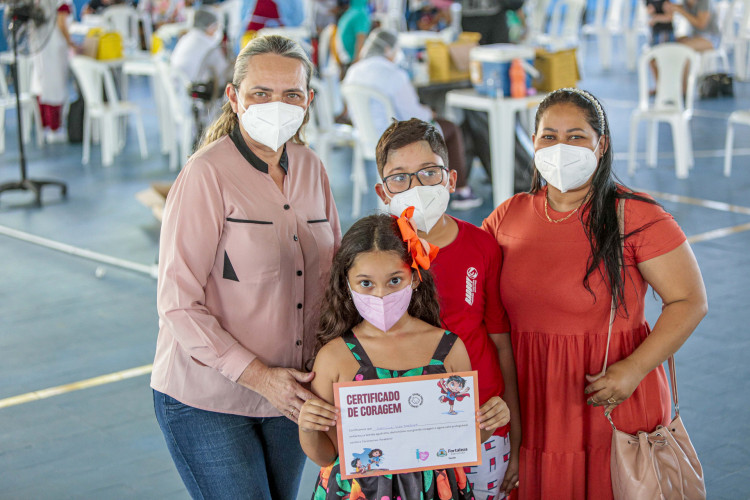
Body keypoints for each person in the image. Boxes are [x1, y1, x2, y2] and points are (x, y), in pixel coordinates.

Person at [481, 88, 708, 499]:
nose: (561, 147)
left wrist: (635, 369)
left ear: (600, 144)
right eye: (548, 136)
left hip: (611, 395)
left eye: (576, 136)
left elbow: (690, 301)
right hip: (532, 401)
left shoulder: (635, 214)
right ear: (533, 143)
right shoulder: (507, 215)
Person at [151, 34, 342, 500]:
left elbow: (334, 278)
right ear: (234, 98)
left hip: (293, 395)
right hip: (207, 398)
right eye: (261, 93)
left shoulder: (312, 168)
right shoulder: (206, 174)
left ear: (308, 101)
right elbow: (178, 303)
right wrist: (259, 376)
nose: (276, 105)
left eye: (291, 94)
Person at [298, 213, 511, 499]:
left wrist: (490, 420)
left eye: (394, 280)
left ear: (414, 277)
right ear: (346, 284)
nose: (381, 295)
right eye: (366, 284)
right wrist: (308, 427)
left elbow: (460, 440)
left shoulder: (448, 348)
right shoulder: (334, 357)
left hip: (434, 490)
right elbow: (327, 455)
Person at [374, 118, 520, 499]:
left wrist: (515, 432)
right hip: (404, 431)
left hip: (481, 427)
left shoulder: (481, 247)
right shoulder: (371, 256)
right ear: (383, 190)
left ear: (451, 180)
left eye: (429, 173)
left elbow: (500, 343)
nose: (417, 187)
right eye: (400, 178)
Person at [345, 29, 482, 209]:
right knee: (451, 129)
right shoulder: (394, 74)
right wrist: (430, 113)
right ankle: (462, 191)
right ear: (388, 49)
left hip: (366, 138)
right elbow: (415, 117)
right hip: (395, 139)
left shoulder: (353, 71)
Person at [31, 0, 77, 144]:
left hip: (39, 45)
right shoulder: (60, 3)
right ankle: (54, 127)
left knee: (41, 85)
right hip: (54, 46)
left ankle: (45, 124)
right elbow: (62, 23)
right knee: (54, 87)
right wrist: (71, 44)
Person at [170, 8, 231, 96]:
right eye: (215, 27)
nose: (216, 31)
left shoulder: (188, 37)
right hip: (190, 90)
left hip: (176, 88)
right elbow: (223, 73)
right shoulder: (207, 43)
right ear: (209, 26)